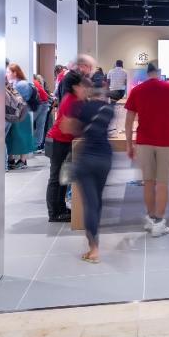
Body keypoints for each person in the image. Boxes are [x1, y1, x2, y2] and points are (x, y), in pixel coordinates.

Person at [125, 62, 169, 237]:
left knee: (148, 182)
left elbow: (129, 120)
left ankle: (151, 218)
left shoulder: (137, 91)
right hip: (166, 141)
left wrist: (129, 143)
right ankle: (159, 222)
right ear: (159, 73)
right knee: (162, 183)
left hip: (144, 140)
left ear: (147, 73)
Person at [60, 76, 114, 263]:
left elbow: (70, 128)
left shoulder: (81, 107)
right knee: (97, 200)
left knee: (89, 203)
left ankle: (94, 250)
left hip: (86, 159)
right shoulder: (109, 109)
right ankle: (93, 245)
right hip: (105, 158)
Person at [45, 70, 82, 223]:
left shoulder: (75, 99)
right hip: (58, 140)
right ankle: (54, 213)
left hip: (63, 140)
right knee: (55, 177)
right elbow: (68, 125)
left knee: (62, 177)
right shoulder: (71, 100)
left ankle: (61, 208)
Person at [5, 64, 37, 170]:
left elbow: (17, 100)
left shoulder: (22, 84)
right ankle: (10, 158)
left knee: (22, 137)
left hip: (21, 114)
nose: (7, 74)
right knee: (12, 137)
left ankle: (22, 160)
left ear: (15, 72)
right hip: (14, 114)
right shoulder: (12, 83)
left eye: (9, 72)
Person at [31, 72, 52, 153]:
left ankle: (31, 146)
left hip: (39, 104)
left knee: (29, 124)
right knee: (40, 125)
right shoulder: (37, 82)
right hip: (45, 103)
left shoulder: (31, 82)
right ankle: (38, 146)